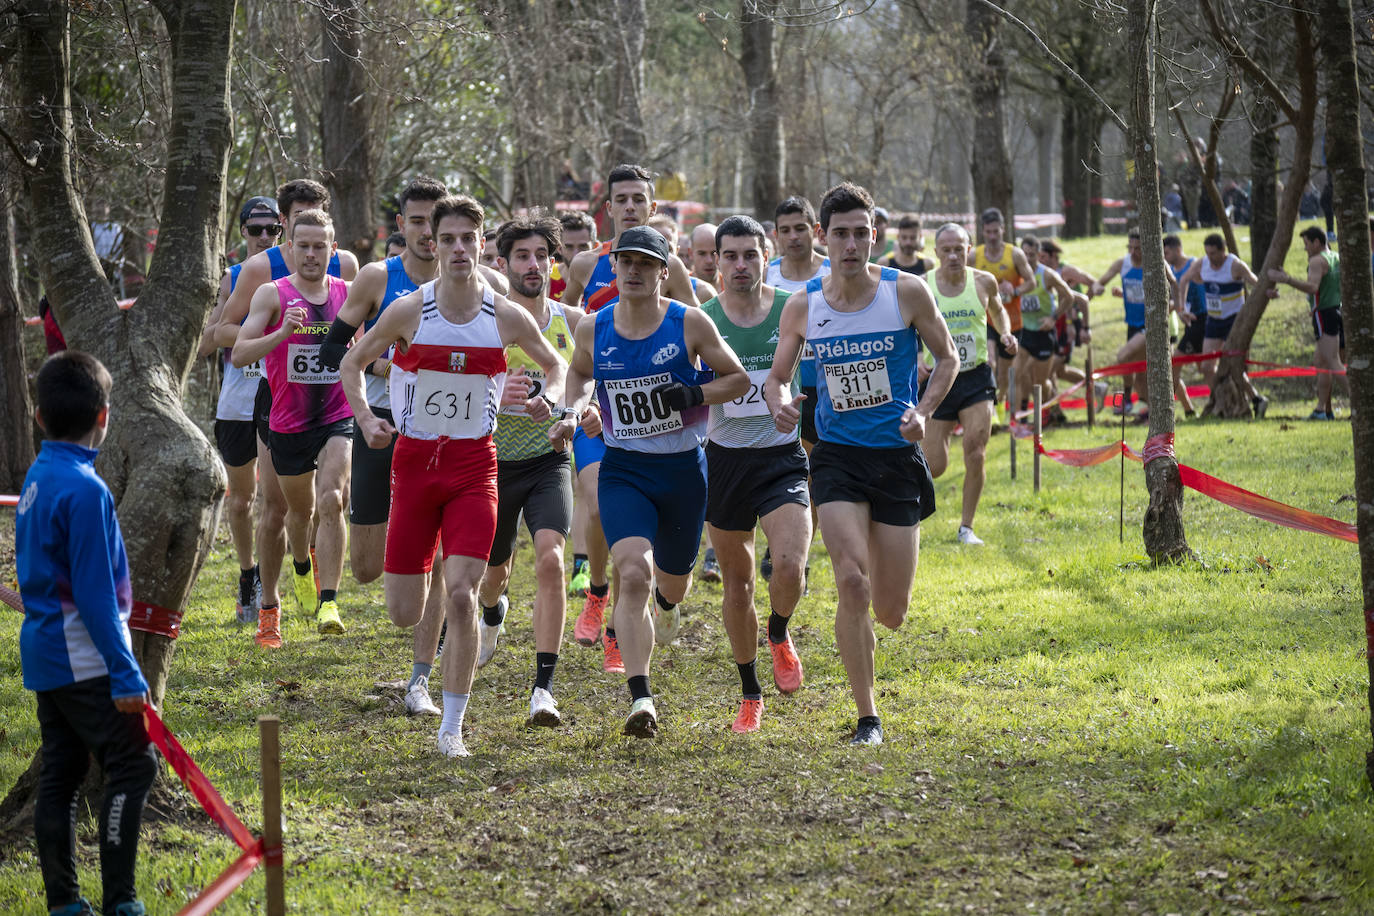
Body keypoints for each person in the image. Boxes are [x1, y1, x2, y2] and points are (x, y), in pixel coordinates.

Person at [340, 195, 567, 758]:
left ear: (482, 242)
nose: (460, 249)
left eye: (469, 238)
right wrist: (367, 418)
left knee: (462, 594)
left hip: (474, 467)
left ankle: (453, 727)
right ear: (433, 245)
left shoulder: (504, 314)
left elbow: (556, 365)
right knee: (403, 611)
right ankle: (425, 652)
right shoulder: (409, 311)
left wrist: (550, 399)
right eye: (449, 239)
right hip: (414, 467)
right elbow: (350, 360)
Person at [765, 182, 957, 746]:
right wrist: (781, 405)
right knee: (851, 580)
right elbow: (778, 376)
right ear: (824, 238)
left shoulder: (907, 293)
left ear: (875, 236)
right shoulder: (806, 304)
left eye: (861, 234)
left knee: (892, 611)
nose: (852, 245)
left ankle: (875, 649)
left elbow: (947, 359)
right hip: (836, 459)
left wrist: (923, 412)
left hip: (897, 457)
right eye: (841, 234)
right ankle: (867, 716)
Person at [549, 225, 749, 738]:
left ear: (665, 271)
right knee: (633, 574)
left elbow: (738, 380)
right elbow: (578, 373)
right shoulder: (595, 327)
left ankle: (666, 605)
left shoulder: (690, 323)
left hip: (682, 471)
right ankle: (641, 700)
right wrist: (575, 408)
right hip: (625, 469)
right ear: (613, 268)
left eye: (645, 263)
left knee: (672, 583)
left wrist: (693, 397)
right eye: (626, 262)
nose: (634, 271)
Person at [17, 351, 156, 916]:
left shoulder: (39, 474)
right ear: (104, 416)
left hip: (46, 652)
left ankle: (65, 904)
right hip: (82, 657)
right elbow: (98, 596)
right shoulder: (86, 489)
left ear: (38, 416)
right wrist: (125, 671)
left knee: (64, 770)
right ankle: (121, 901)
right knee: (133, 763)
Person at [320, 176, 449, 715]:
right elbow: (332, 353)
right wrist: (383, 364)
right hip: (383, 424)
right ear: (401, 226)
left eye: (434, 223)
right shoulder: (378, 278)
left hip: (444, 433)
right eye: (415, 222)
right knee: (369, 567)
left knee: (441, 557)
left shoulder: (471, 281)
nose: (425, 233)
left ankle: (420, 678)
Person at [212, 179, 356, 649]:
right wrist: (281, 336)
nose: (312, 255)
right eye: (303, 246)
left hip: (335, 412)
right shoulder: (270, 291)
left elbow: (372, 342)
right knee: (292, 511)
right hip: (282, 413)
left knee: (332, 499)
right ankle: (274, 599)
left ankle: (329, 602)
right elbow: (235, 351)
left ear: (331, 248)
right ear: (289, 247)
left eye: (321, 247)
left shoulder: (349, 290)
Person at [473, 216, 588, 726]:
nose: (533, 264)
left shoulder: (573, 320)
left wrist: (565, 410)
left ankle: (543, 687)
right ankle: (492, 613)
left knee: (551, 561)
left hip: (548, 460)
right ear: (502, 264)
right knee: (492, 575)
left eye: (542, 254)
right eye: (522, 256)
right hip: (493, 463)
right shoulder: (485, 322)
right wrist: (499, 397)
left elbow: (584, 385)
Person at [699, 216, 810, 733]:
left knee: (788, 567)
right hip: (724, 462)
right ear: (716, 261)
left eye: (750, 254)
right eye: (730, 256)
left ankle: (780, 631)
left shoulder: (793, 309)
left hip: (781, 456)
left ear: (766, 255)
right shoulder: (701, 319)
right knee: (738, 585)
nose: (740, 265)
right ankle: (750, 693)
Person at [197, 195, 282, 625]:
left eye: (273, 230)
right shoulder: (231, 277)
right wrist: (255, 330)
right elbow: (208, 340)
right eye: (256, 229)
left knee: (276, 500)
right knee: (240, 501)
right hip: (237, 403)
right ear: (242, 232)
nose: (264, 237)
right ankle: (247, 574)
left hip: (282, 402)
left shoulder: (293, 276)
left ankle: (271, 588)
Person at [918, 223, 1017, 546]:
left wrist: (1004, 333)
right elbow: (907, 327)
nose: (952, 256)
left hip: (975, 375)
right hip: (938, 379)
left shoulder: (983, 281)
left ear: (969, 249)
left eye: (958, 249)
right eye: (945, 250)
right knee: (935, 465)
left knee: (975, 450)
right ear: (936, 253)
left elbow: (999, 312)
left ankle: (966, 528)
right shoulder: (923, 285)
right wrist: (916, 358)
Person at [764, 195, 831, 581]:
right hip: (779, 385)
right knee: (789, 472)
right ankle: (783, 547)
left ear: (815, 230)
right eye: (785, 230)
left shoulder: (830, 272)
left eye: (800, 228)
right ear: (775, 235)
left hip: (823, 385)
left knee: (814, 470)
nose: (793, 237)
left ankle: (798, 554)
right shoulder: (767, 274)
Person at [559, 163, 702, 312]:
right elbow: (567, 312)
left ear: (652, 208)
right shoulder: (585, 262)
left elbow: (698, 322)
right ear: (609, 208)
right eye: (621, 200)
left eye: (638, 200)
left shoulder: (670, 265)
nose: (630, 207)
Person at [1173, 232, 1267, 417]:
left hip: (1234, 321)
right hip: (1213, 321)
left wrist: (1266, 294)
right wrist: (1182, 309)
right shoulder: (1202, 263)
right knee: (1207, 367)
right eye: (1207, 253)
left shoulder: (1235, 265)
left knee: (1233, 365)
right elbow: (1184, 280)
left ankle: (1255, 399)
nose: (1210, 258)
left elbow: (1256, 283)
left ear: (1223, 251)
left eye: (1214, 253)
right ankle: (1221, 401)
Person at [1268, 226, 1347, 419]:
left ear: (1317, 242)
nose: (1305, 249)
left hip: (1324, 314)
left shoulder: (1317, 260)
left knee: (1334, 362)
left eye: (1306, 244)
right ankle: (1322, 409)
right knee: (1321, 362)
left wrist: (1287, 279)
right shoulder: (1335, 256)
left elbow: (1312, 287)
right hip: (1338, 311)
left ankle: (1362, 404)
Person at [1009, 235, 1083, 417]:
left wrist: (1053, 317)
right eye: (1024, 254)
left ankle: (1053, 406)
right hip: (1024, 331)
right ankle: (1020, 418)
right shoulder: (1015, 274)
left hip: (1044, 333)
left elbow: (1069, 297)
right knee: (1018, 373)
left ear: (1038, 255)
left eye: (1032, 255)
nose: (1027, 259)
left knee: (1041, 382)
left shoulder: (1047, 275)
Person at [972, 208, 1035, 418]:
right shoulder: (975, 256)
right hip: (987, 319)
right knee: (990, 361)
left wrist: (1015, 290)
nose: (991, 237)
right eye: (988, 232)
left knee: (1005, 371)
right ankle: (989, 405)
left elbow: (1031, 282)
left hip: (1012, 322)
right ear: (983, 231)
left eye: (995, 232)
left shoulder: (1014, 254)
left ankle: (1000, 402)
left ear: (1003, 230)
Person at [1164, 234, 1208, 417]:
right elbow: (1175, 300)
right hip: (1191, 324)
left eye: (1166, 252)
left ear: (1177, 249)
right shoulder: (1171, 272)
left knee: (1174, 364)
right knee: (1203, 369)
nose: (1164, 257)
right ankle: (1191, 410)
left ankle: (1165, 412)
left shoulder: (1194, 264)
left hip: (1202, 320)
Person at [689, 222, 722, 288]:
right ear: (690, 253)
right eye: (702, 254)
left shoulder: (733, 287)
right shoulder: (679, 287)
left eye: (714, 253)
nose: (709, 261)